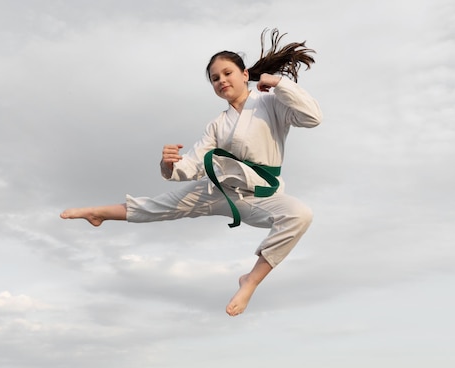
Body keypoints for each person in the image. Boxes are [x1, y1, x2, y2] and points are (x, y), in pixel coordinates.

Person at [61, 29, 322, 316]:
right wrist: (169, 164)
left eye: (227, 73)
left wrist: (279, 83)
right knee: (161, 206)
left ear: (244, 74)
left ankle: (250, 281)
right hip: (220, 191)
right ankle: (97, 213)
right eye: (215, 78)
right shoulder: (217, 125)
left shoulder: (271, 102)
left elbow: (312, 117)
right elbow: (191, 166)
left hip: (261, 196)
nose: (221, 81)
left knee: (300, 215)